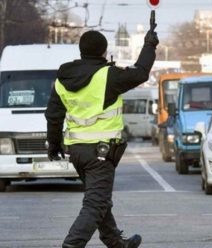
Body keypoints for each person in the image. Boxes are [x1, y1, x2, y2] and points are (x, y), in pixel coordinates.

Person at [45, 26, 159, 248]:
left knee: (100, 199)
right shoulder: (108, 76)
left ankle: (115, 242)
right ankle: (72, 244)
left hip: (76, 151)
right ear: (104, 51)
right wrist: (149, 45)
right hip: (101, 152)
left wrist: (54, 145)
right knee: (95, 203)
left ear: (81, 50)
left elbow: (53, 115)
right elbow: (141, 72)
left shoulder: (62, 79)